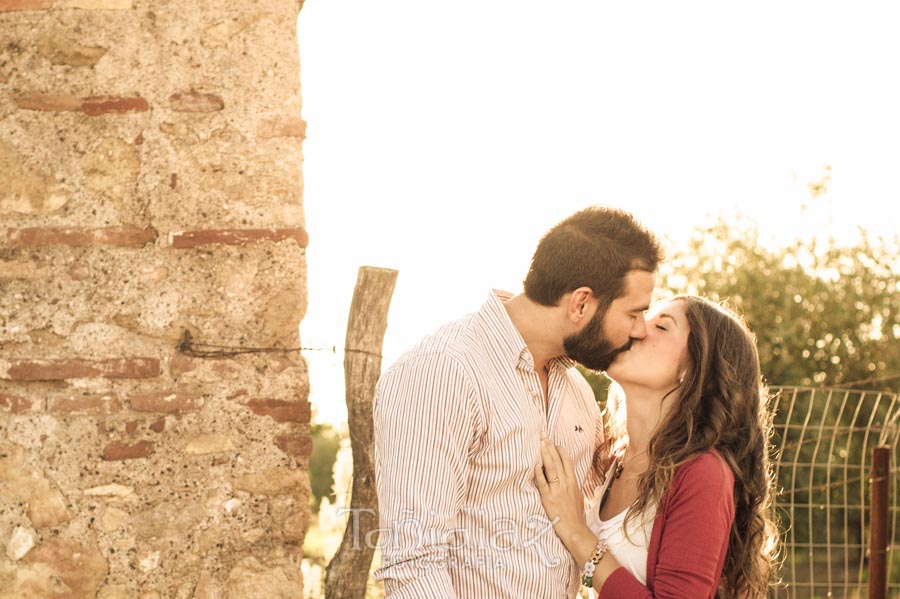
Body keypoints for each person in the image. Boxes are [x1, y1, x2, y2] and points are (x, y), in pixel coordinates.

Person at [372, 206, 665, 598]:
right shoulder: (443, 372)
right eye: (634, 313)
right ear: (581, 303)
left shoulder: (575, 390)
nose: (641, 329)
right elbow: (413, 562)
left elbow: (599, 524)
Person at [535, 294, 779, 599]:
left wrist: (575, 532)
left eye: (661, 327)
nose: (637, 329)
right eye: (642, 318)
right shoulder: (610, 460)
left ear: (693, 370)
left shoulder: (702, 474)